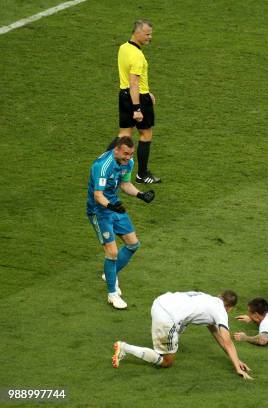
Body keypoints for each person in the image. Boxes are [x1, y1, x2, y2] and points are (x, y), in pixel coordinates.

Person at [112, 290, 253, 379]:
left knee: (181, 327)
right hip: (168, 317)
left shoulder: (207, 299)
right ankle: (124, 348)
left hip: (159, 302)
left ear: (219, 296)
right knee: (167, 361)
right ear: (230, 308)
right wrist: (237, 368)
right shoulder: (221, 312)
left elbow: (218, 336)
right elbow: (227, 341)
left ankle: (164, 344)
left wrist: (236, 360)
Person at [87, 136, 155, 309]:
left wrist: (141, 195)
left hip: (115, 207)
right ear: (116, 150)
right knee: (112, 252)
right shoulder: (102, 166)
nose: (128, 157)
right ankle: (112, 294)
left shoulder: (128, 163)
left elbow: (125, 184)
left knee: (133, 244)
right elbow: (98, 195)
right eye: (125, 153)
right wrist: (111, 206)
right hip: (100, 211)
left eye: (131, 154)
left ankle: (110, 273)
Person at [114, 19, 160, 184]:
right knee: (145, 134)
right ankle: (142, 174)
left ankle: (103, 167)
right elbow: (134, 83)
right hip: (137, 98)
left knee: (124, 134)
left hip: (124, 94)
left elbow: (129, 81)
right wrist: (138, 108)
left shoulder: (123, 48)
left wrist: (148, 92)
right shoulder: (138, 55)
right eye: (147, 34)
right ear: (137, 33)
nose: (150, 37)